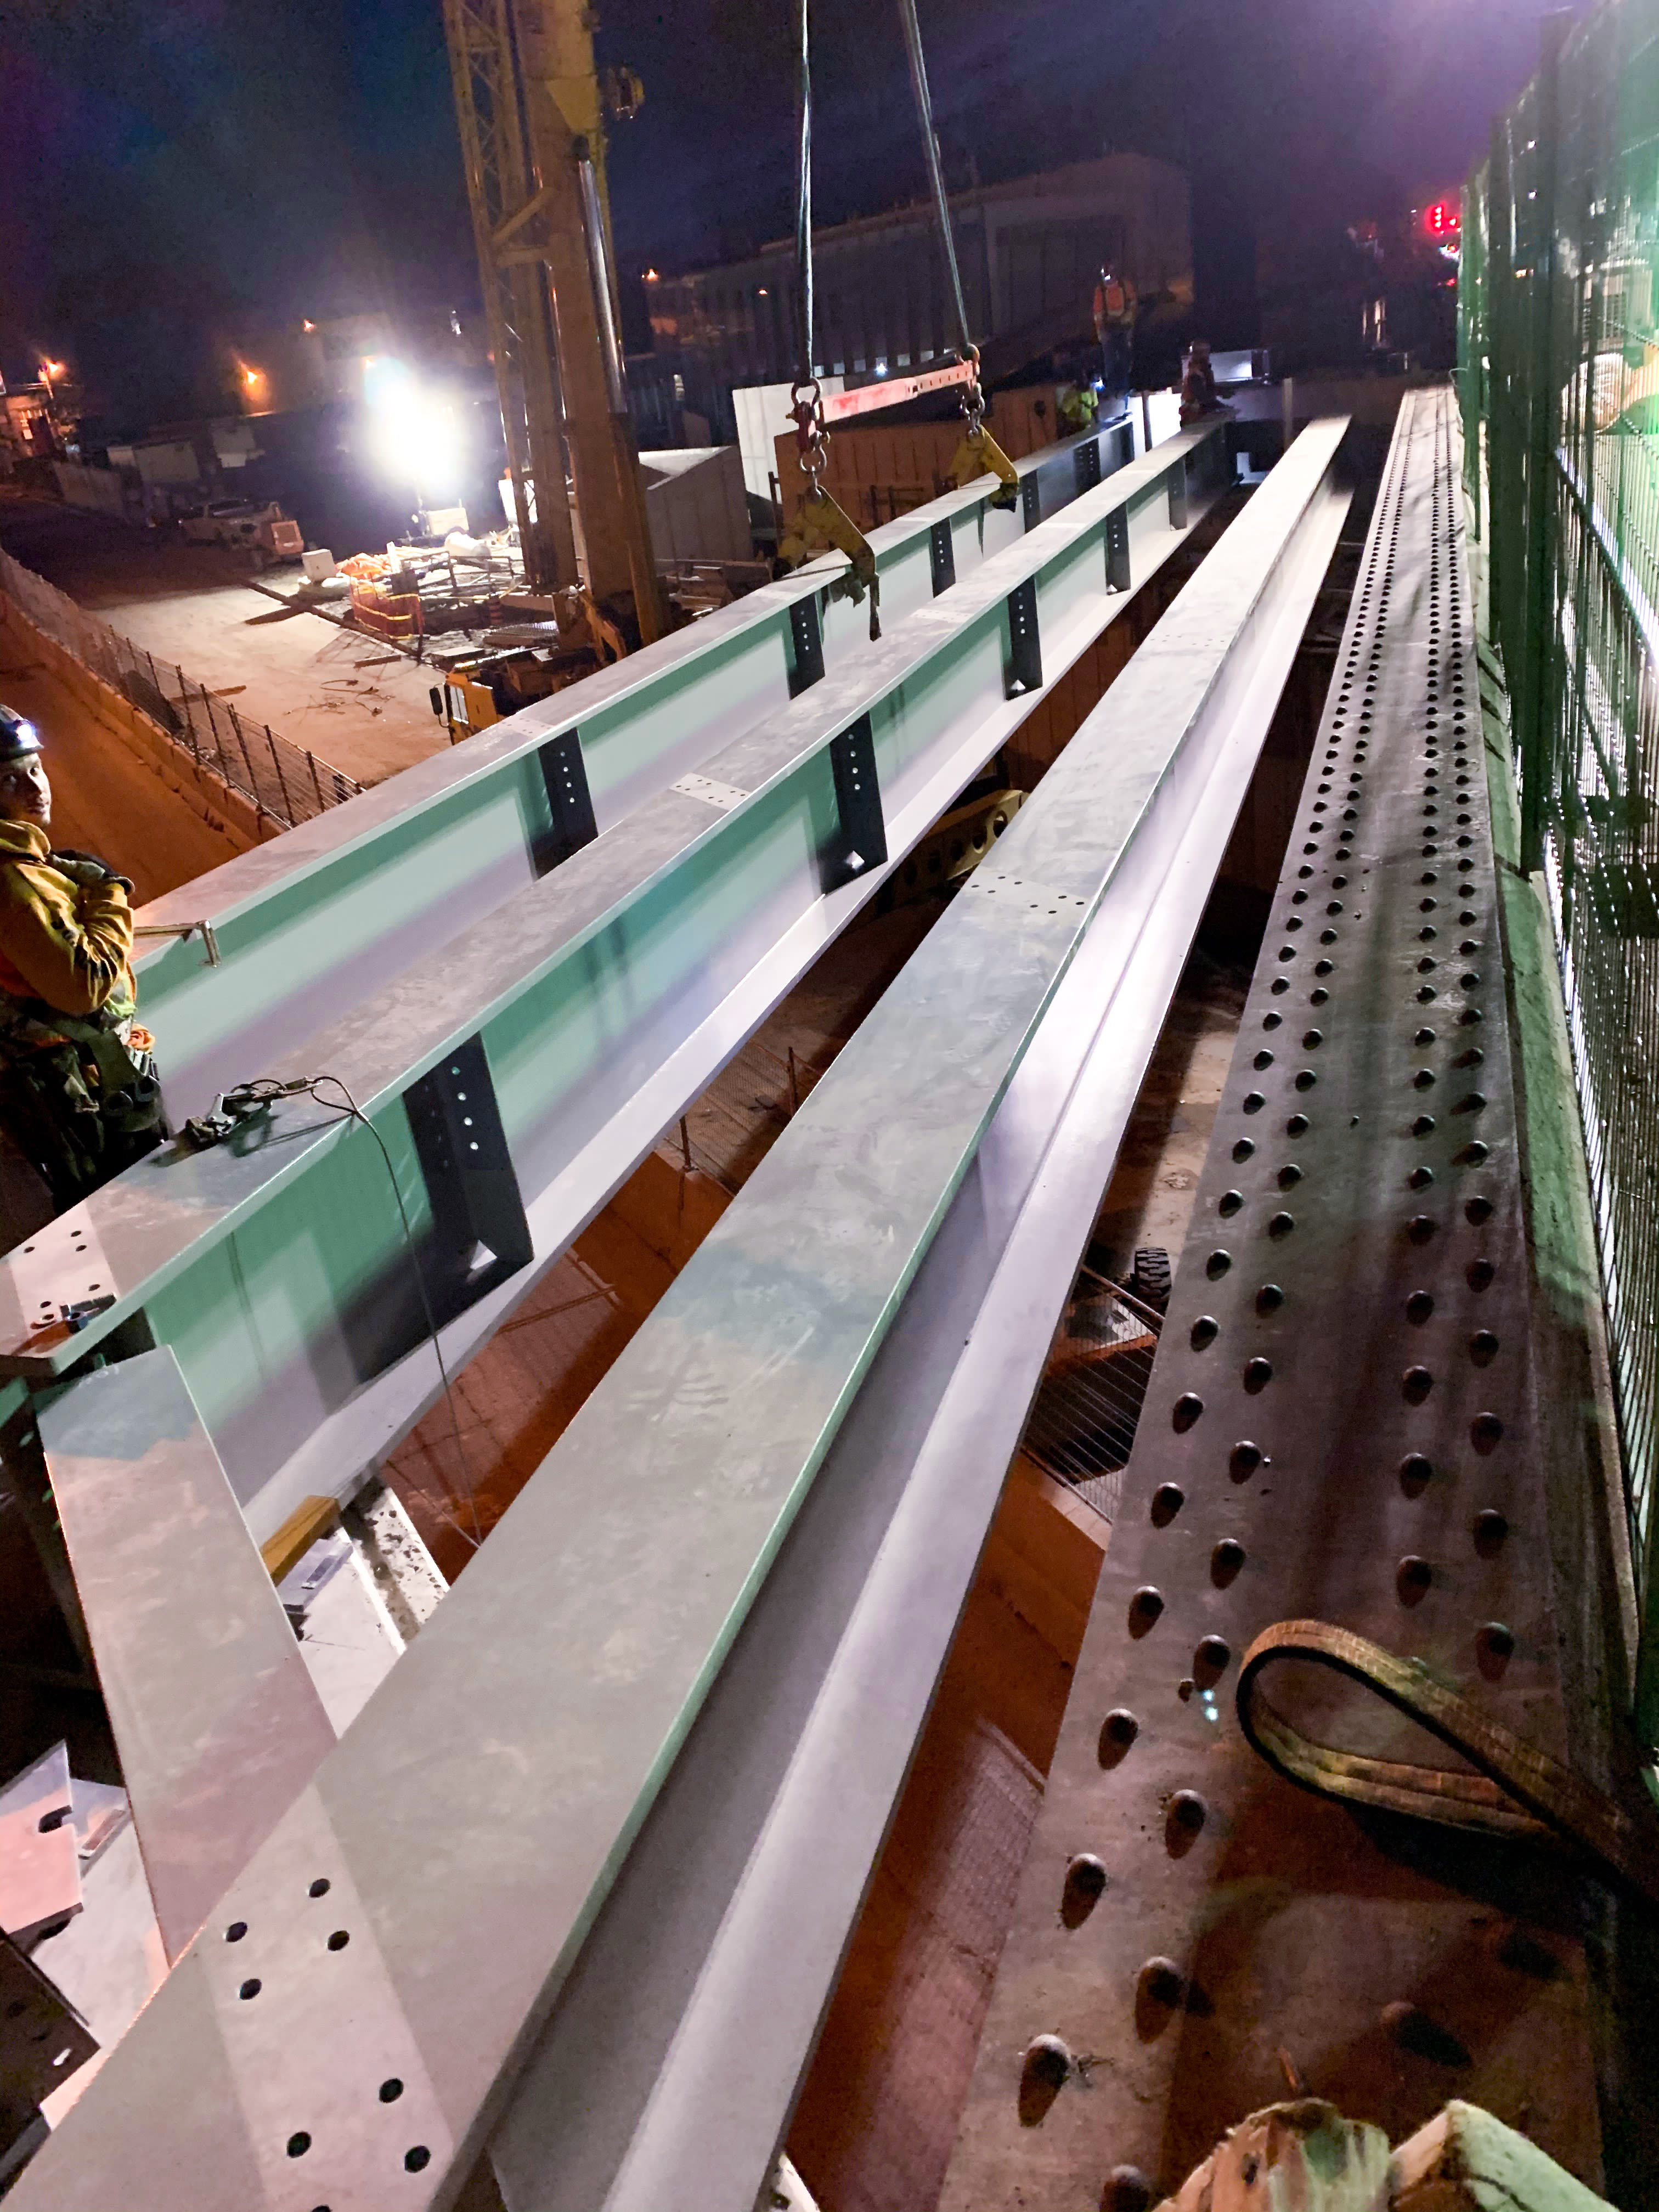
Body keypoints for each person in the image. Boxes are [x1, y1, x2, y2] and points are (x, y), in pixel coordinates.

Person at [0, 704, 163, 1245]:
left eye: (35, 770)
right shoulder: (15, 888)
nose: (34, 788)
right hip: (81, 1101)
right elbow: (84, 985)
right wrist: (111, 891)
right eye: (9, 779)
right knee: (131, 1231)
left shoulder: (29, 866)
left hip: (83, 1084)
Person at [1093, 263, 1138, 397]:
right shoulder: (1100, 290)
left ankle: (1124, 387)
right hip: (1108, 329)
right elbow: (1098, 313)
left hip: (1124, 327)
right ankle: (1113, 388)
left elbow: (1133, 305)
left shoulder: (1125, 286)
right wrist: (1100, 332)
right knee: (1110, 360)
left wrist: (1128, 322)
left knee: (1125, 358)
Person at [1180, 340, 1228, 426]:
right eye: (1205, 352)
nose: (1207, 355)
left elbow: (1209, 391)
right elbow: (1203, 398)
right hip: (1195, 419)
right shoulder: (1195, 374)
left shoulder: (1203, 371)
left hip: (1198, 417)